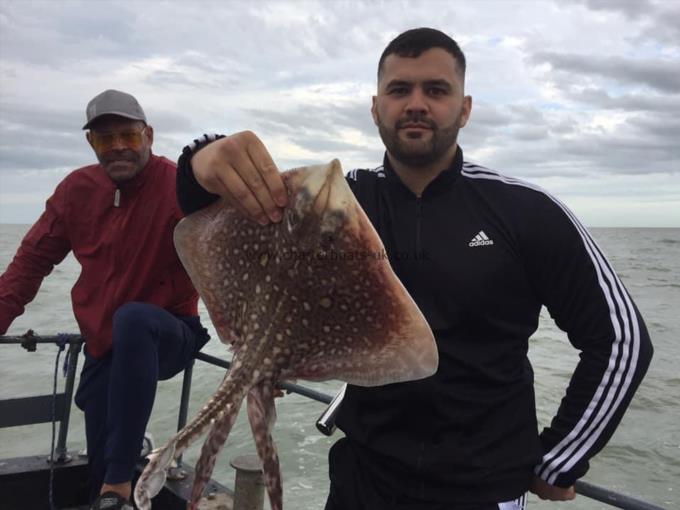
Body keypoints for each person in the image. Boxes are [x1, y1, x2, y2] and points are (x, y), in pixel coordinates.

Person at [173, 28, 653, 510]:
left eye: (437, 90)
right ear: (376, 107)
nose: (416, 103)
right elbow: (218, 209)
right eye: (399, 90)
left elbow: (621, 340)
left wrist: (561, 459)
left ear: (464, 108)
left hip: (481, 491)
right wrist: (202, 157)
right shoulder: (337, 204)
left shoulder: (524, 210)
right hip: (363, 476)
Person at [0, 90, 210, 510]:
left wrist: (254, 351)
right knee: (101, 432)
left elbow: (227, 266)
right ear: (91, 144)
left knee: (134, 319)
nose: (116, 147)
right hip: (107, 347)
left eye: (128, 136)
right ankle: (110, 490)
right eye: (103, 138)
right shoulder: (76, 190)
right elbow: (31, 260)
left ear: (148, 135)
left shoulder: (178, 187)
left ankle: (117, 483)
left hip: (170, 333)